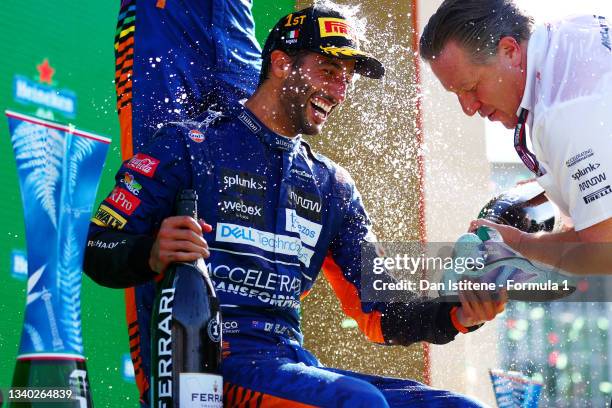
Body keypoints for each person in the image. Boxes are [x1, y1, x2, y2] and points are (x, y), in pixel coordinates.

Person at [86, 4, 505, 407]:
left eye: (346, 77)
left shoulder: (332, 185)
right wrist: (151, 251)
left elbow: (382, 310)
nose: (338, 90)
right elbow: (97, 247)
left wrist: (460, 312)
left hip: (289, 366)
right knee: (359, 402)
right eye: (327, 71)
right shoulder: (189, 145)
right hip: (208, 368)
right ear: (282, 64)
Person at [113, 0, 262, 396]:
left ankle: (247, 363)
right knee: (159, 198)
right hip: (162, 20)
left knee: (252, 170)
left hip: (233, 15)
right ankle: (162, 392)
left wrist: (438, 309)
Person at [420, 0, 612, 275]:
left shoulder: (560, 115)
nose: (468, 108)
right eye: (457, 95)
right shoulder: (576, 28)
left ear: (510, 51)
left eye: (471, 88)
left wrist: (519, 243)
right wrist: (559, 180)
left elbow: (603, 252)